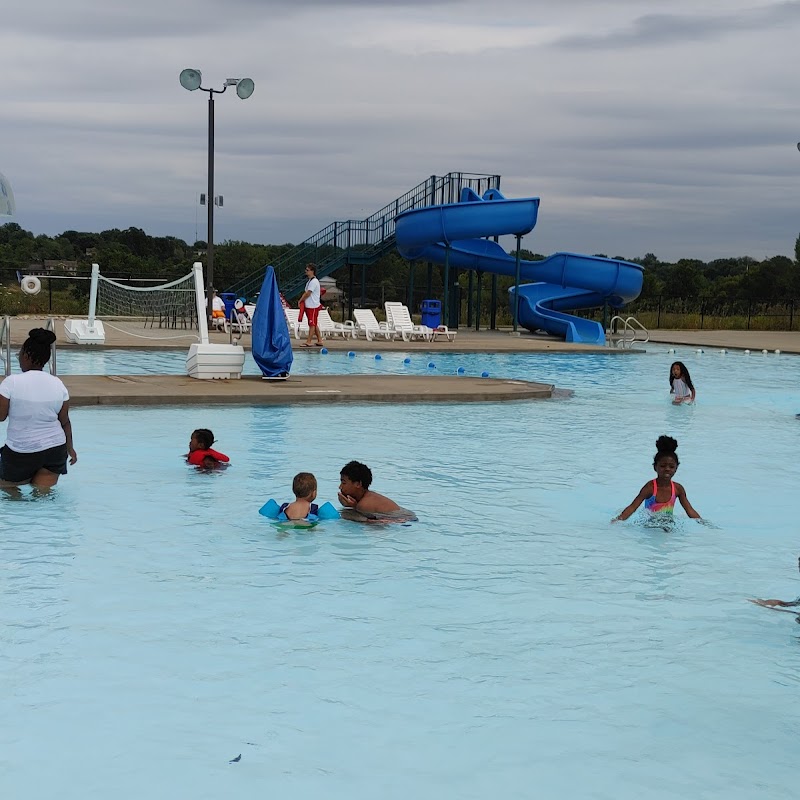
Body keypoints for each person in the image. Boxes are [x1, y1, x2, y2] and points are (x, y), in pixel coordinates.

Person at [0, 328, 77, 490]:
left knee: (8, 490)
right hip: (55, 450)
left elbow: (1, 416)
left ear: (26, 356)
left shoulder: (11, 382)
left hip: (21, 451)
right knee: (42, 495)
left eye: (18, 355)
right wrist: (70, 448)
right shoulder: (58, 384)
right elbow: (65, 422)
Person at [613, 435, 701, 522]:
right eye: (663, 466)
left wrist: (703, 523)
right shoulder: (650, 487)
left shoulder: (678, 489)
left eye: (671, 466)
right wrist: (617, 520)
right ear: (655, 467)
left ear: (676, 468)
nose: (667, 469)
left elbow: (689, 510)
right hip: (650, 526)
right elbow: (633, 507)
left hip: (668, 526)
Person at [338, 460, 416, 521]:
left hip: (405, 521)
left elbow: (374, 525)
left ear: (358, 484)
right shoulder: (366, 497)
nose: (340, 487)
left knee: (348, 515)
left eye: (343, 482)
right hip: (407, 517)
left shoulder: (365, 504)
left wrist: (353, 509)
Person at [298, 263, 324, 347]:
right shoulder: (310, 281)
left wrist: (300, 300)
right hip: (310, 306)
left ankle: (309, 341)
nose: (306, 271)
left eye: (307, 270)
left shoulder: (314, 281)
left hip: (313, 306)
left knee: (312, 324)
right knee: (314, 323)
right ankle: (320, 340)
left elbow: (308, 293)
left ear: (312, 271)